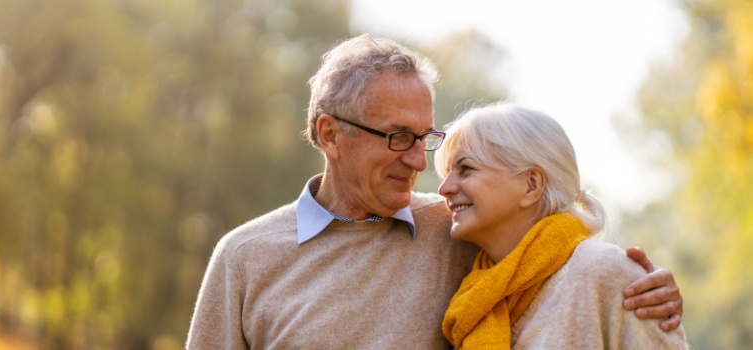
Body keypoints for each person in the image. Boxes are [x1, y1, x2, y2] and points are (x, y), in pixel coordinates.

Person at [186, 34, 683, 349]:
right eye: (398, 136)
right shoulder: (244, 259)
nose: (419, 160)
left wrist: (647, 291)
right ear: (331, 134)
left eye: (425, 138)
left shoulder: (458, 230)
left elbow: (552, 258)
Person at [435, 104, 688, 349]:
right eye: (446, 173)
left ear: (531, 185)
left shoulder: (604, 270)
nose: (444, 188)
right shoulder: (472, 297)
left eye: (465, 169)